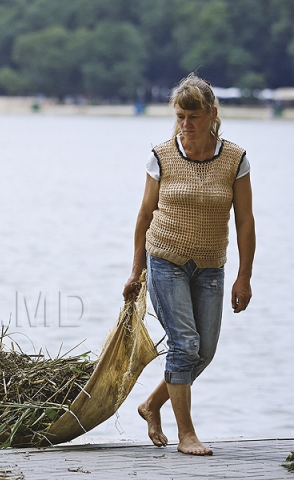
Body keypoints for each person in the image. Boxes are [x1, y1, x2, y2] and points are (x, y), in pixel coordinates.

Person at [123, 73, 256, 456]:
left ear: (212, 114)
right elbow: (145, 215)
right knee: (185, 345)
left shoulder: (236, 159)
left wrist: (244, 276)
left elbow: (245, 220)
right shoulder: (161, 155)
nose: (186, 125)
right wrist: (136, 272)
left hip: (211, 265)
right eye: (180, 116)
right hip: (165, 260)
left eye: (193, 117)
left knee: (204, 351)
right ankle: (187, 435)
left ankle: (151, 405)